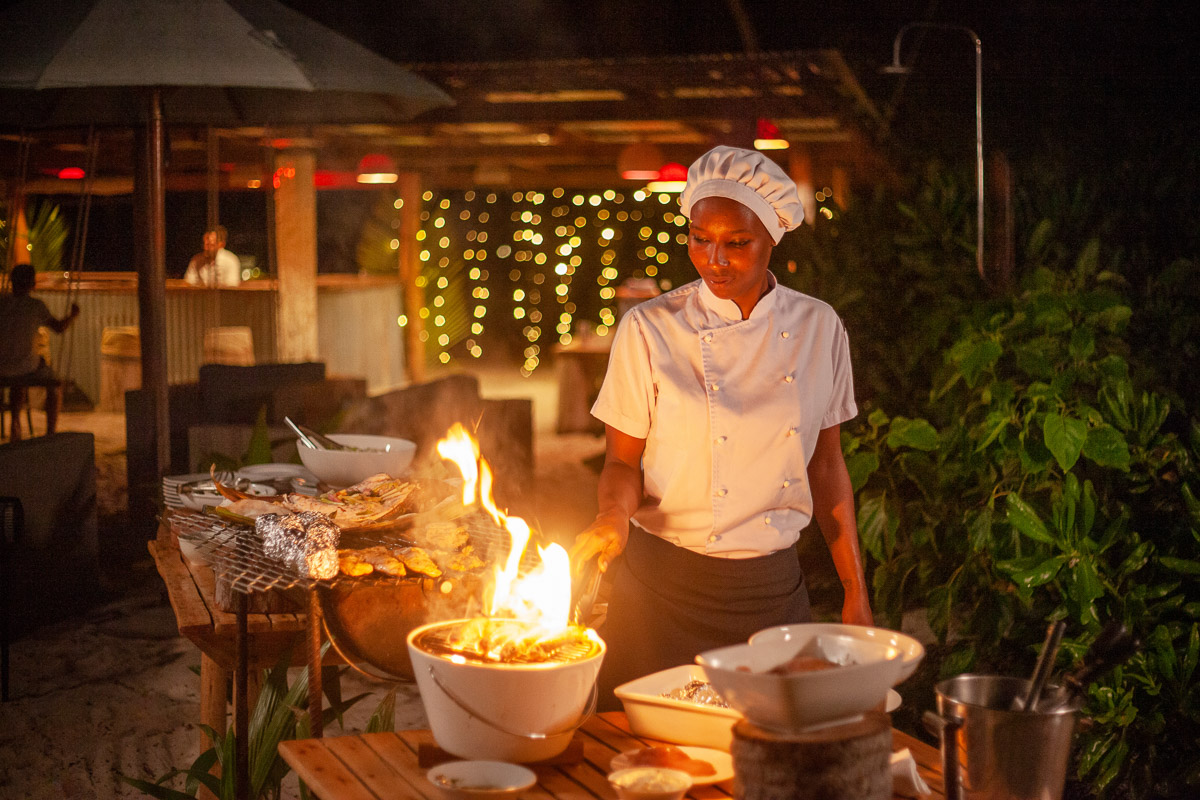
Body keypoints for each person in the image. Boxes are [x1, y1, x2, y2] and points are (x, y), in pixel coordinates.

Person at [570, 146, 873, 707]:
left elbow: (826, 466)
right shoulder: (649, 329)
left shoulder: (818, 328)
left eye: (737, 242)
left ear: (772, 239)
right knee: (642, 764)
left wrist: (856, 589)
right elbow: (620, 461)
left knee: (765, 757)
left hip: (770, 596)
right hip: (660, 592)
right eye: (699, 238)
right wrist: (610, 518)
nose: (714, 258)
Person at [0, 264, 80, 440]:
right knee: (54, 384)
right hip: (26, 368)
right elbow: (59, 327)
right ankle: (50, 433)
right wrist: (73, 314)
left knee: (16, 377)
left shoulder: (2, 302)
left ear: (12, 282)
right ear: (33, 284)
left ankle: (15, 421)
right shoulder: (36, 306)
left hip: (2, 368)